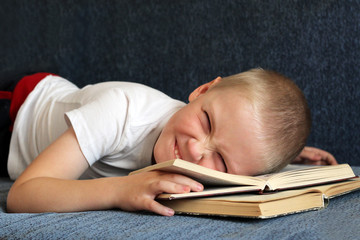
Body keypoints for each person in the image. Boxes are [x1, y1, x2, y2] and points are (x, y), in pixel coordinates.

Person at [1, 69, 336, 216]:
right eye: (206, 121)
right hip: (17, 110)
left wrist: (287, 157)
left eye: (221, 161)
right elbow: (22, 195)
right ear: (202, 91)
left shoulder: (220, 139)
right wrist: (120, 191)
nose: (195, 149)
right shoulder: (122, 111)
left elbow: (243, 146)